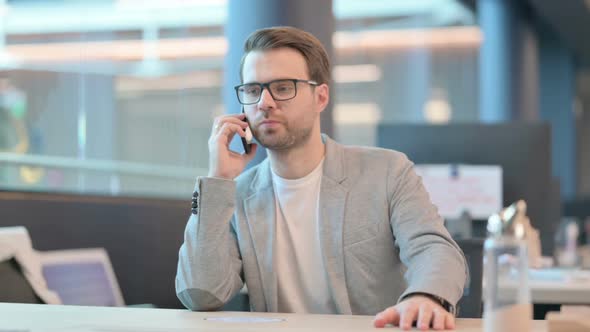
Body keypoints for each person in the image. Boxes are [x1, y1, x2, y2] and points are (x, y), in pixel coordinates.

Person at [176, 26, 467, 331]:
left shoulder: (386, 171)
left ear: (321, 97)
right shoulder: (237, 194)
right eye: (252, 90)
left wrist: (426, 296)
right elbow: (200, 294)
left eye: (283, 87)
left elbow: (435, 248)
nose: (264, 102)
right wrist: (217, 180)